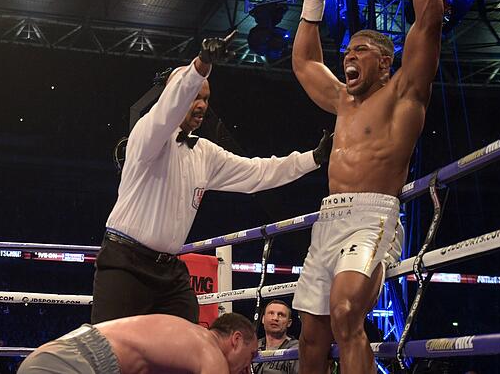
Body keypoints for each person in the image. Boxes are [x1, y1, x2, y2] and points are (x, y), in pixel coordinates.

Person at [290, 0, 444, 372]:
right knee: (311, 335)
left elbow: (430, 21)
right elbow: (303, 64)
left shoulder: (403, 94)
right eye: (346, 52)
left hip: (372, 215)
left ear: (384, 62)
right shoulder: (342, 101)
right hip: (328, 216)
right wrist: (313, 0)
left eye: (358, 51)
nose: (347, 56)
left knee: (345, 316)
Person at [91, 33, 332, 324]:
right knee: (110, 349)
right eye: (195, 97)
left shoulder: (204, 153)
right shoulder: (148, 136)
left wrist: (312, 159)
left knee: (185, 348)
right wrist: (202, 65)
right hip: (125, 262)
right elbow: (169, 106)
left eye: (206, 98)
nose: (202, 105)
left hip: (169, 271)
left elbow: (257, 172)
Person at [18, 312, 259, 374]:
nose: (247, 369)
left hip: (53, 356)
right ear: (236, 340)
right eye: (250, 357)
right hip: (74, 365)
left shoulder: (184, 338)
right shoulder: (209, 351)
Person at [252, 300, 299, 374]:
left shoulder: (297, 348)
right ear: (263, 319)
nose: (275, 318)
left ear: (289, 323)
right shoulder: (253, 347)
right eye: (271, 313)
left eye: (281, 315)